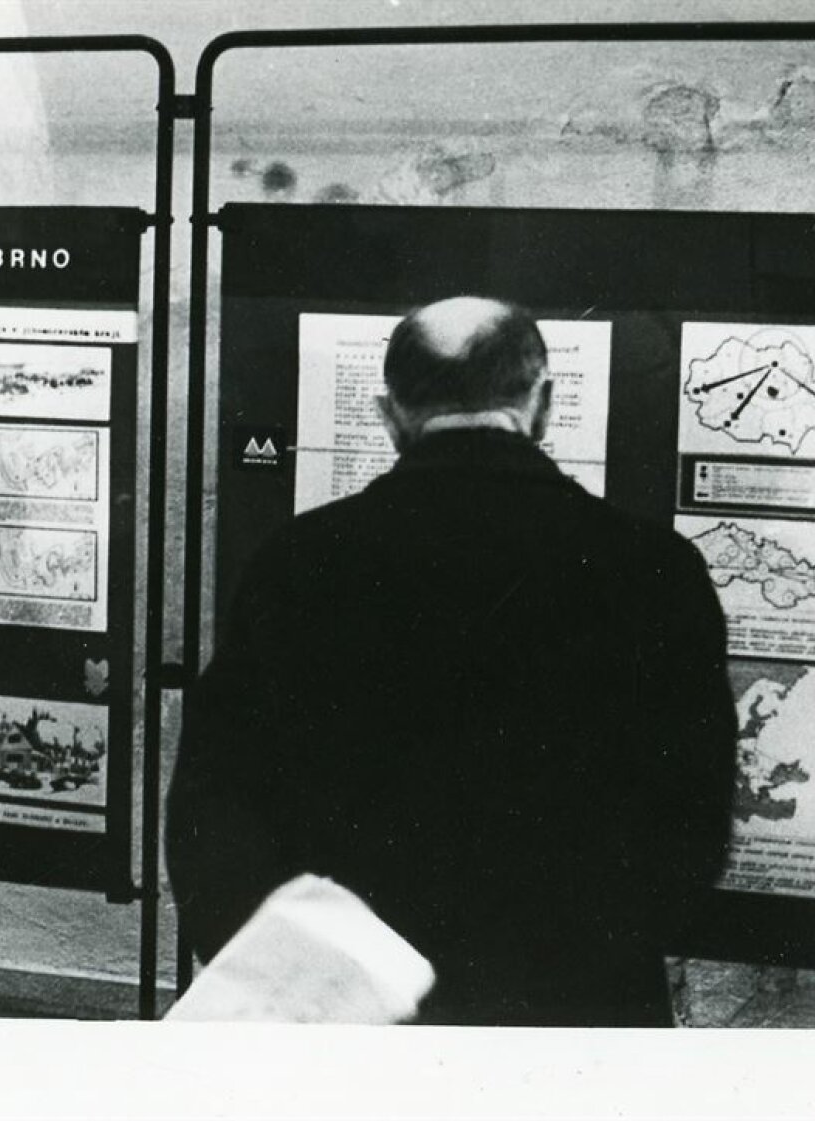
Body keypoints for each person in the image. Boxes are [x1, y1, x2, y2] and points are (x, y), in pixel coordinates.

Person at [166, 297, 737, 1027]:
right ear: (543, 403)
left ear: (389, 413)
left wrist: (292, 979)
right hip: (576, 1014)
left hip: (355, 1019)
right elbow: (691, 826)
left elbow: (214, 807)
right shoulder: (654, 569)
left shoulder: (298, 563)